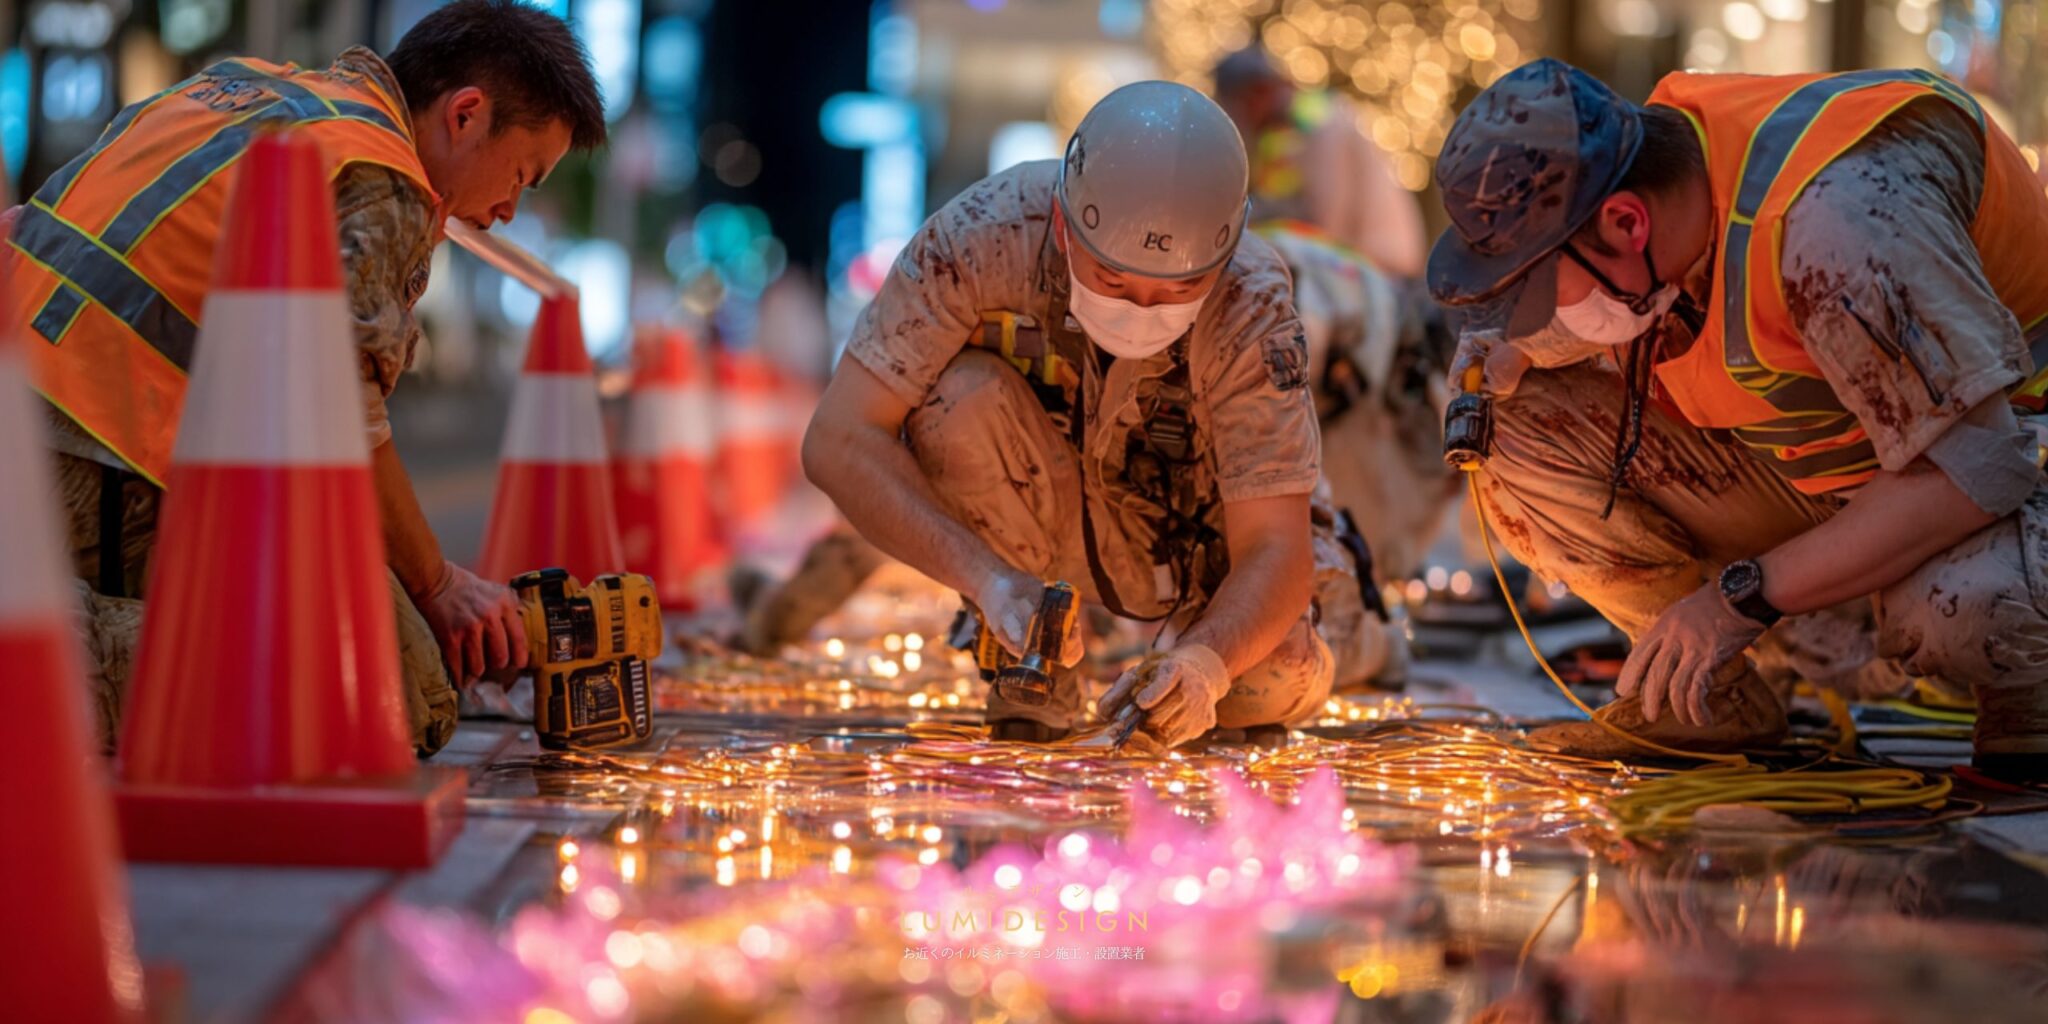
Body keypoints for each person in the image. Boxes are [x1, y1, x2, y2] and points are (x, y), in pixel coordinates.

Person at [0, 0, 607, 754]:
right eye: (522, 174)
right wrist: (438, 585)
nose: (510, 210)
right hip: (98, 456)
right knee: (380, 684)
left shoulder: (236, 86)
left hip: (41, 419)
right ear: (466, 114)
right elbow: (345, 417)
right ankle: (29, 656)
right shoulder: (379, 174)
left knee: (358, 614)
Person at [1428, 59, 2048, 776]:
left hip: (2003, 475)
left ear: (1626, 222)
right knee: (1512, 419)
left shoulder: (1836, 226)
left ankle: (2028, 691)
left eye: (1539, 287)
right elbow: (1619, 303)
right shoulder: (1672, 188)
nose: (1545, 311)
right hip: (1860, 480)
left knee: (1966, 607)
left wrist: (1740, 601)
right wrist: (1515, 342)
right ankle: (1707, 697)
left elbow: (1973, 472)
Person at [802, 81, 1382, 746]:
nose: (1141, 312)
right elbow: (840, 438)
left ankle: (1360, 640)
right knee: (954, 399)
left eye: (1180, 288)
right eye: (1111, 280)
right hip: (1048, 513)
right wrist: (989, 581)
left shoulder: (1251, 301)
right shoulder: (980, 240)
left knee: (1264, 685)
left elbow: (1274, 544)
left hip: (1203, 538)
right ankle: (1035, 650)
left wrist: (1206, 662)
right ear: (1061, 224)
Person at [1212, 47, 1426, 279]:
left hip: (1382, 268)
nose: (1241, 121)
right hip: (1360, 266)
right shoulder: (1283, 138)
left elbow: (1330, 226)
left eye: (1239, 108)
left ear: (1259, 92)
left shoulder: (1326, 123)